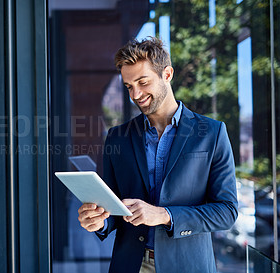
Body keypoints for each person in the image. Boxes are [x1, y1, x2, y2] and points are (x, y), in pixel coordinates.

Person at [77, 37, 238, 273]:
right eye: (129, 86)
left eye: (143, 82)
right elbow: (112, 207)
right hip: (132, 265)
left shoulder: (212, 133)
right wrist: (98, 221)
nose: (136, 94)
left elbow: (226, 211)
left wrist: (164, 215)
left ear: (167, 74)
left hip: (188, 265)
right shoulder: (117, 137)